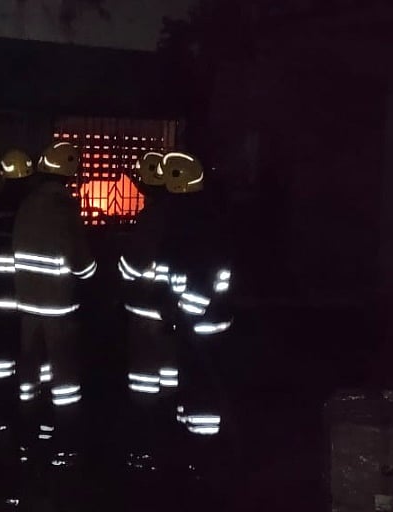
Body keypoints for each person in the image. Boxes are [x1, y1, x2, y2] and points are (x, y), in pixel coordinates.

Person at [5, 141, 95, 470]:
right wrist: (91, 275)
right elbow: (82, 262)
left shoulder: (28, 204)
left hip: (27, 304)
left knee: (31, 371)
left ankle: (28, 436)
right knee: (64, 377)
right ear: (69, 175)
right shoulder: (63, 208)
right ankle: (65, 444)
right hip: (58, 306)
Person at [159, 152, 234, 483]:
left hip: (203, 327)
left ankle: (205, 462)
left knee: (203, 394)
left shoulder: (196, 226)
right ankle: (193, 454)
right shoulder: (197, 219)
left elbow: (201, 282)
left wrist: (182, 318)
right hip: (197, 325)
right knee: (194, 391)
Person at [116, 152, 181, 472]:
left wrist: (121, 271)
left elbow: (131, 265)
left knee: (144, 381)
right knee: (169, 374)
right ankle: (170, 440)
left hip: (145, 310)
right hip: (171, 311)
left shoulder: (151, 218)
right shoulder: (181, 216)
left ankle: (145, 446)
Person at [0, 149, 36, 436]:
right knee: (29, 349)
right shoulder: (32, 207)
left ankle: (2, 405)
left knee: (3, 350)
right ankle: (29, 405)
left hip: (1, 293)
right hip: (28, 293)